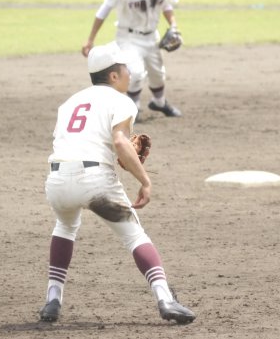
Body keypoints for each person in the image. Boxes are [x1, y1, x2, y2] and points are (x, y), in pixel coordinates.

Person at [38, 41, 196, 325]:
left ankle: (52, 299)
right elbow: (120, 142)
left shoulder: (68, 103)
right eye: (126, 70)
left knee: (65, 226)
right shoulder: (120, 101)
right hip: (96, 183)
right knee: (135, 236)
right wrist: (144, 181)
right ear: (113, 75)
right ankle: (165, 299)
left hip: (57, 181)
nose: (130, 75)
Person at [82, 0, 182, 121]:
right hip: (128, 37)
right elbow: (103, 11)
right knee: (134, 72)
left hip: (152, 37)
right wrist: (90, 39)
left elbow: (167, 6)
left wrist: (173, 25)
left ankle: (159, 103)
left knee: (158, 75)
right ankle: (133, 107)